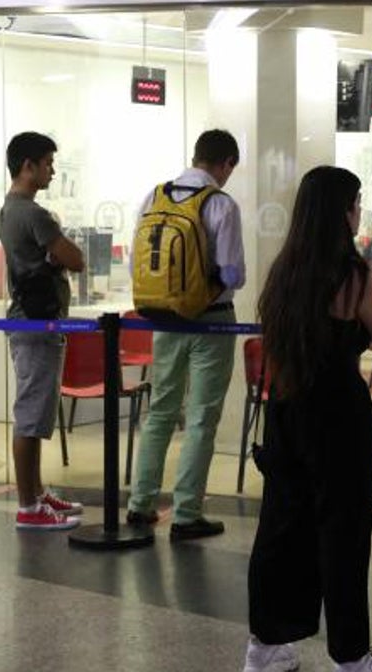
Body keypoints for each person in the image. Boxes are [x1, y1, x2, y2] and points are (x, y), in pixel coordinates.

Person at [244, 167, 372, 672]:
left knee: (281, 526)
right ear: (342, 211)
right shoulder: (354, 275)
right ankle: (351, 656)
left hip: (287, 409)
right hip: (340, 414)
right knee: (344, 535)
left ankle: (265, 647)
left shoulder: (284, 271)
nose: (359, 212)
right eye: (356, 203)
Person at [127, 129, 246, 541]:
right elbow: (234, 274)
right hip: (212, 321)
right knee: (200, 417)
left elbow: (136, 262)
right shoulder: (221, 205)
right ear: (226, 164)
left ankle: (140, 504)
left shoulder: (154, 196)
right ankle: (186, 513)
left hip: (164, 318)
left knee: (160, 410)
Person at [0, 131, 87, 530]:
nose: (53, 170)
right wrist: (59, 248)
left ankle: (35, 494)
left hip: (32, 319)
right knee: (31, 417)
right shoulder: (33, 214)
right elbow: (76, 258)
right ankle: (28, 507)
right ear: (28, 165)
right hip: (34, 323)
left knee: (35, 413)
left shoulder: (10, 209)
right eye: (49, 162)